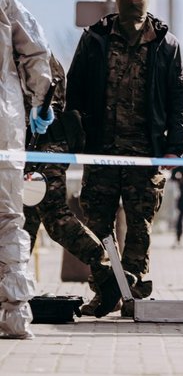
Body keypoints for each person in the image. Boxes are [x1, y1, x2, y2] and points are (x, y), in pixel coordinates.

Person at [67, 0, 183, 315]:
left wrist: (174, 146)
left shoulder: (166, 45)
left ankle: (133, 289)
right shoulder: (95, 39)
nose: (132, 0)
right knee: (98, 224)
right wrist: (75, 132)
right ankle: (106, 289)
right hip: (101, 150)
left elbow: (180, 97)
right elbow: (74, 88)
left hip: (145, 152)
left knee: (140, 226)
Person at [23, 55, 124, 318]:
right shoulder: (26, 48)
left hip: (44, 144)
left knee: (53, 215)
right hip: (32, 146)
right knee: (24, 220)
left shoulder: (30, 51)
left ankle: (106, 272)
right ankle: (14, 290)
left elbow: (47, 102)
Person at [0, 0, 54, 339]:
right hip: (5, 123)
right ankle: (15, 314)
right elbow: (35, 48)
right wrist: (40, 101)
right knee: (7, 219)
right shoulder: (3, 0)